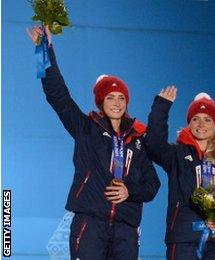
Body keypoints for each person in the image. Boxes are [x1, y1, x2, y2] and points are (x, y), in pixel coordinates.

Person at [28, 26, 160, 259]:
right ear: (101, 102)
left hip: (125, 230)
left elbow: (152, 185)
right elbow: (56, 94)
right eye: (110, 97)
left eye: (121, 98)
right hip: (90, 223)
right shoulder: (86, 129)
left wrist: (130, 190)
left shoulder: (136, 140)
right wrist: (44, 51)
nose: (117, 103)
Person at [145, 86, 215, 259]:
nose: (201, 124)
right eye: (195, 119)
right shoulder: (177, 154)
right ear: (189, 123)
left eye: (207, 119)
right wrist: (161, 107)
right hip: (183, 237)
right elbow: (153, 144)